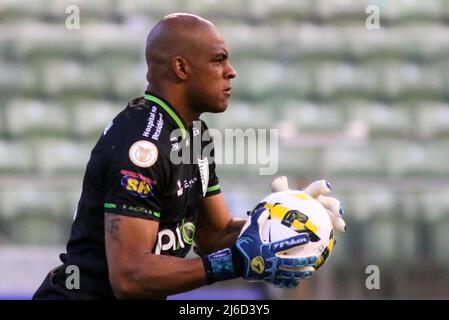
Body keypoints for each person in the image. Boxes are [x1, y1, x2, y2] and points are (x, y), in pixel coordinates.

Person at [32, 13, 324, 300]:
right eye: (219, 59)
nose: (231, 71)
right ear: (182, 68)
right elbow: (129, 277)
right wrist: (231, 263)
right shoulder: (142, 146)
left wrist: (288, 216)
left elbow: (214, 234)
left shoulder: (195, 134)